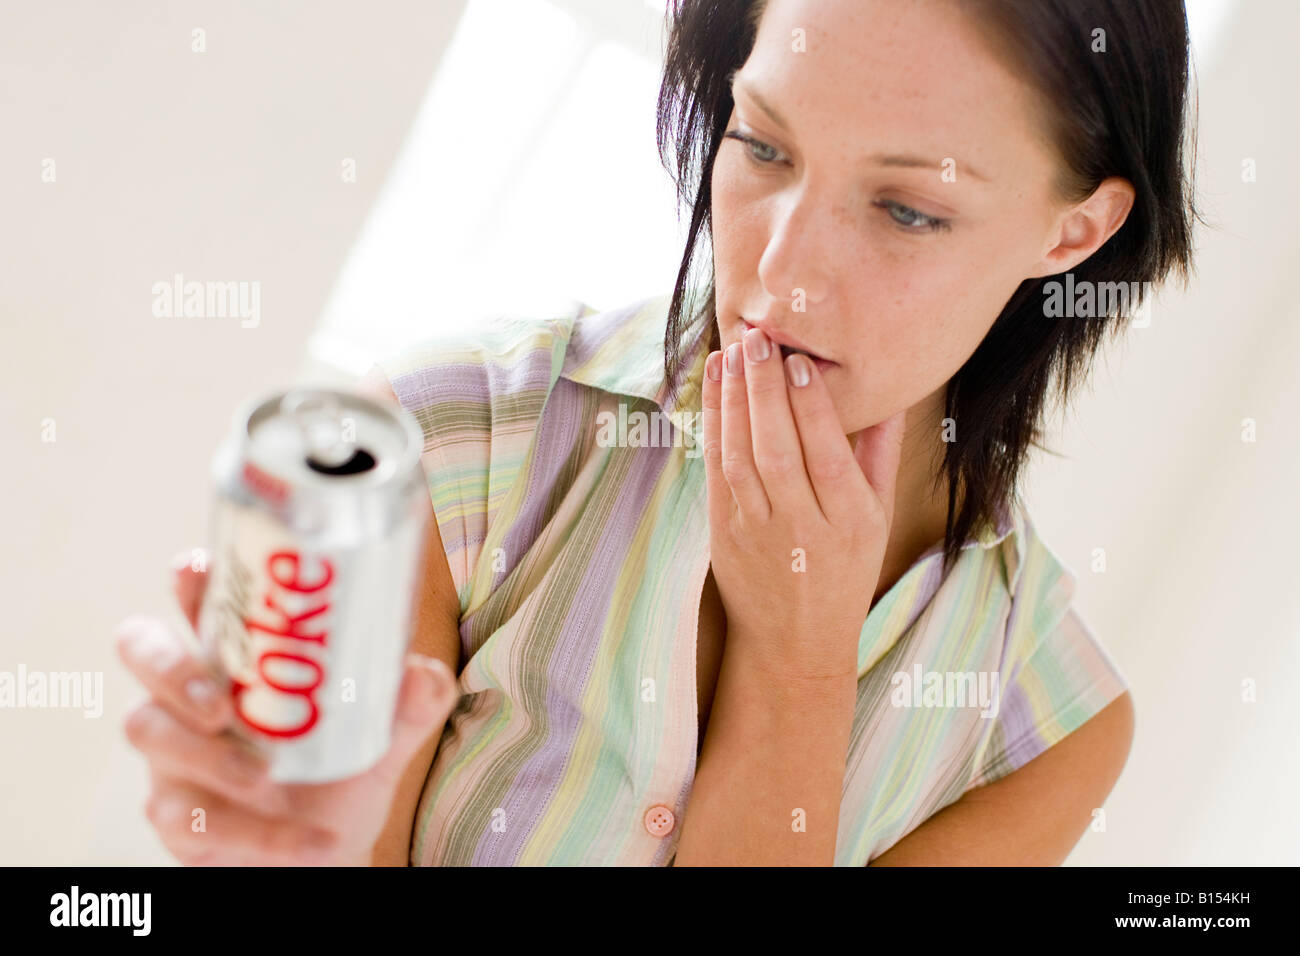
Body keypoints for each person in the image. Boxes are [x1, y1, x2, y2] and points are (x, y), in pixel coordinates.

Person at [116, 0, 1197, 865]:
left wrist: (800, 662)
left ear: (1075, 229)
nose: (780, 271)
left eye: (907, 210)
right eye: (763, 147)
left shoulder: (1038, 730)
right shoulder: (448, 440)